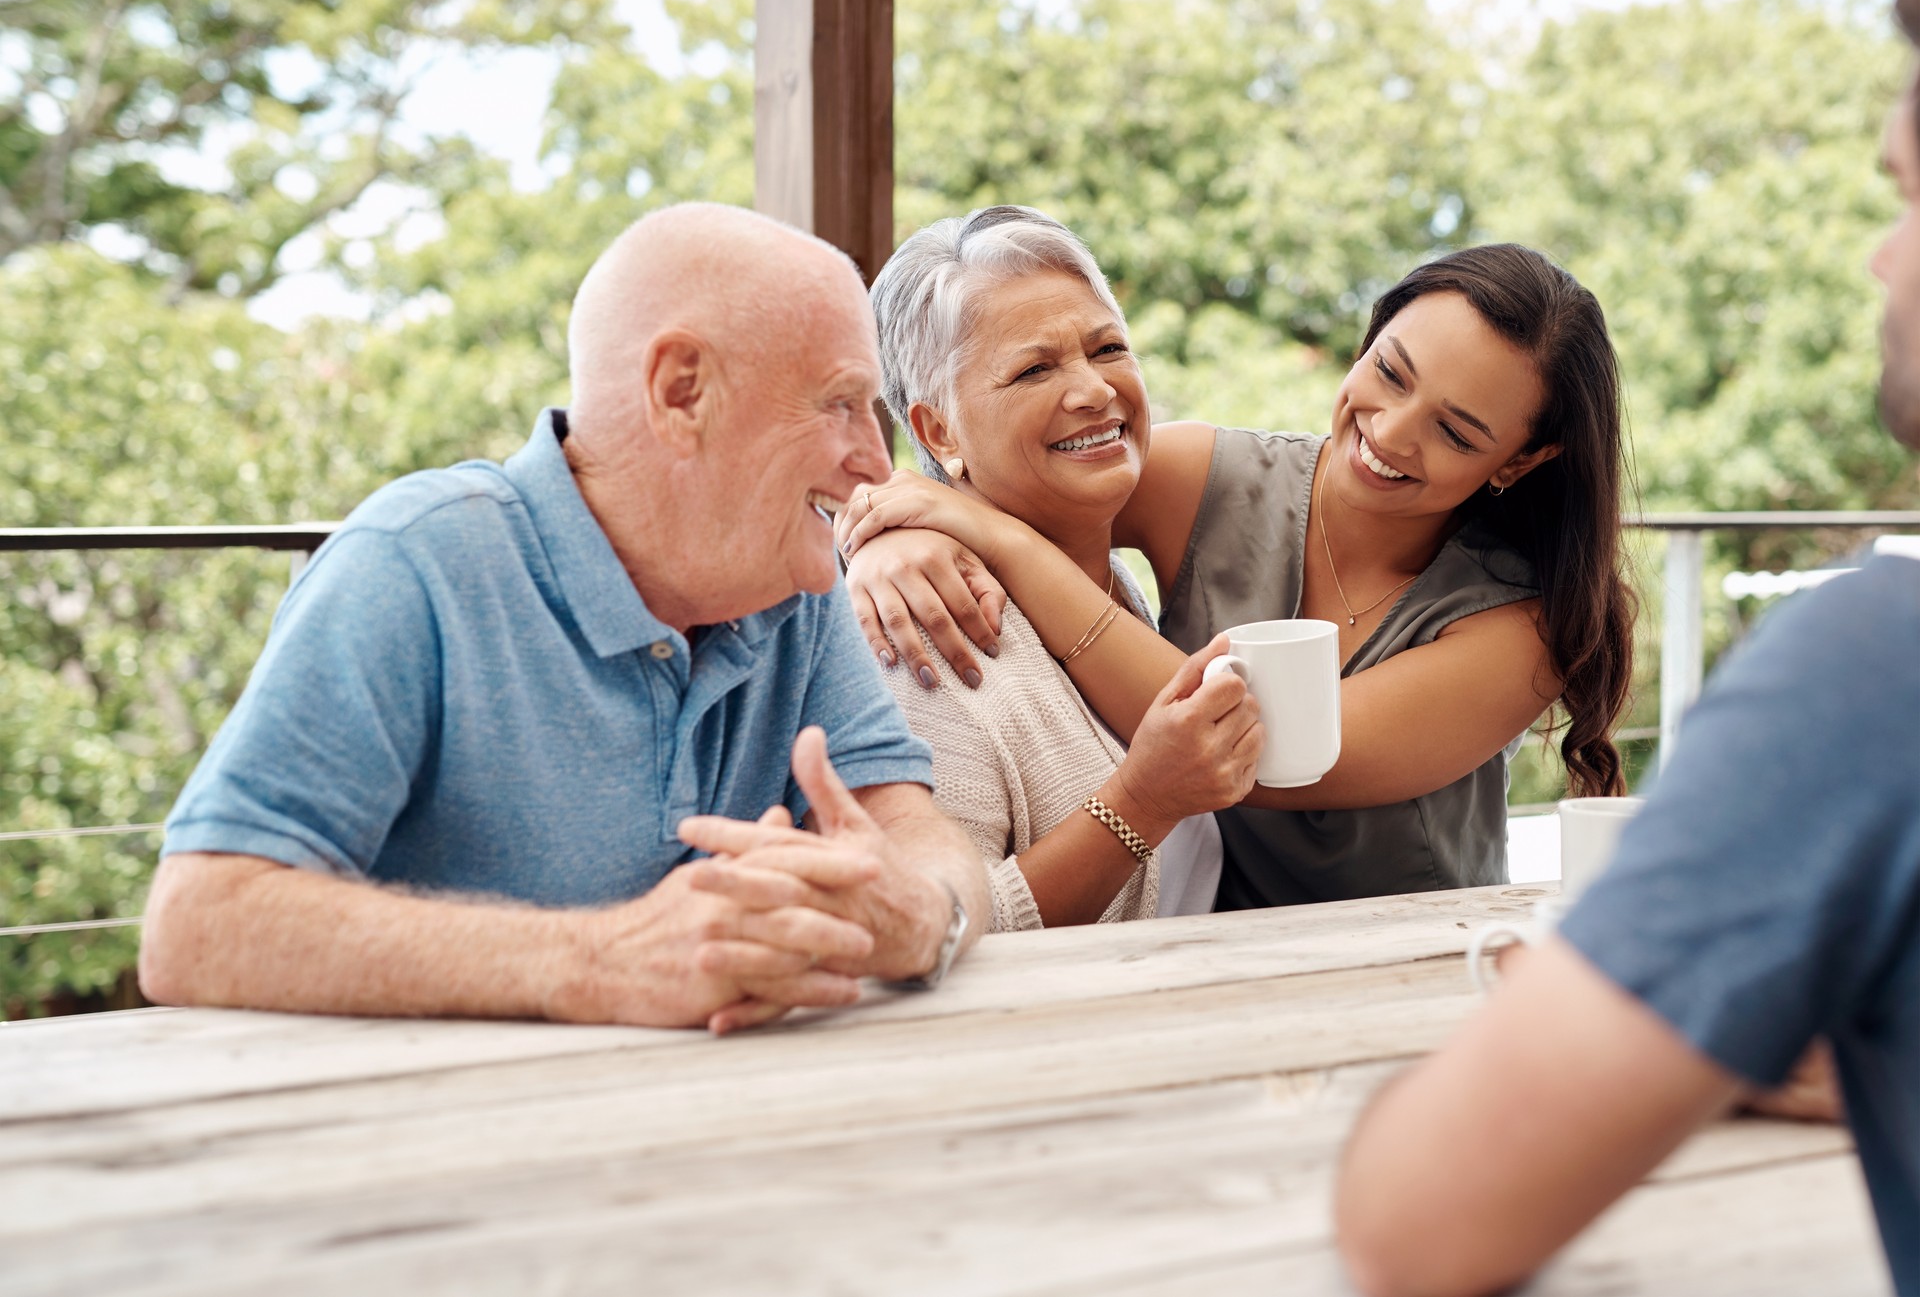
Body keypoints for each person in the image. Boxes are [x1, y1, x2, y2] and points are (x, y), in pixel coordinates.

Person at [1334, 0, 1920, 1297]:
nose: (1885, 256)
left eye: (1907, 198)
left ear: (1518, 465)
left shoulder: (1870, 680)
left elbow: (1419, 1219)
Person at [138, 203, 989, 1036]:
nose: (876, 461)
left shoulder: (788, 584)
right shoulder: (412, 561)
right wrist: (600, 960)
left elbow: (912, 828)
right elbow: (195, 921)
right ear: (681, 391)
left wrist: (921, 916)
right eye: (840, 403)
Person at [839, 243, 1635, 907]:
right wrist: (883, 539)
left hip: (1402, 972)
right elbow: (1009, 473)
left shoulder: (1521, 627)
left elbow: (1270, 753)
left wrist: (990, 537)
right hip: (1195, 956)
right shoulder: (1199, 477)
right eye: (1389, 373)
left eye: (1456, 432)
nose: (1389, 433)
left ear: (1523, 460)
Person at [865, 206, 1262, 929]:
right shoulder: (927, 624)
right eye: (1034, 368)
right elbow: (939, 930)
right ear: (939, 430)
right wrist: (1144, 801)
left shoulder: (1104, 573)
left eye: (1108, 348)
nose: (1094, 390)